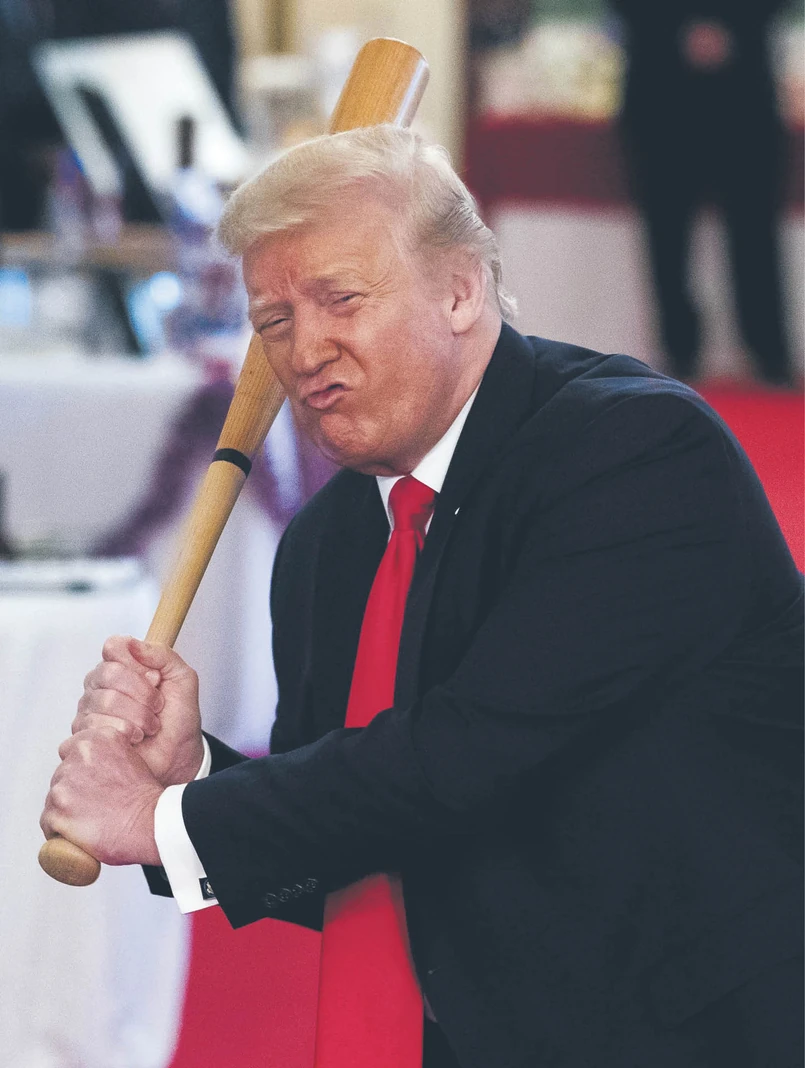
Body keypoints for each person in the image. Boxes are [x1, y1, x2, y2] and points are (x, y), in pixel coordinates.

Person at [42, 125, 803, 1068]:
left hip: (691, 1031)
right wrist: (191, 773)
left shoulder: (635, 455)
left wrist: (161, 824)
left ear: (460, 290)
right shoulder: (325, 547)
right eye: (273, 321)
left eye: (341, 299)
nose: (304, 349)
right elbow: (356, 848)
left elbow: (461, 755)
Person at [612, 0, 794, 385]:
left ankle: (768, 349)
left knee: (755, 228)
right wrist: (677, 31)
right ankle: (678, 349)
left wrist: (731, 27)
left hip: (744, 90)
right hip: (659, 89)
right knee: (666, 233)